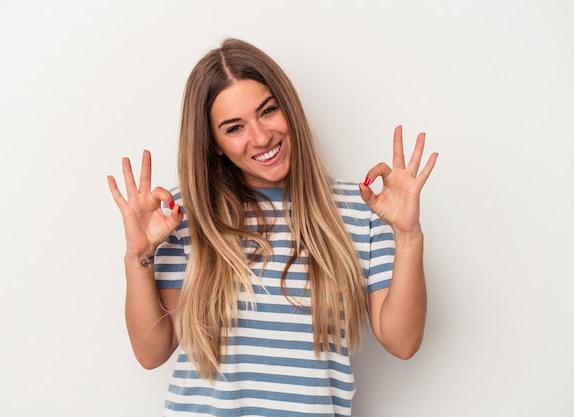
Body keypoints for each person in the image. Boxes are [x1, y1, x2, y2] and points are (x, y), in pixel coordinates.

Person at [107, 38, 437, 416]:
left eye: (267, 110)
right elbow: (152, 353)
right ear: (214, 143)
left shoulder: (362, 210)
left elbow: (403, 342)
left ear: (288, 107)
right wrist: (139, 256)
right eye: (234, 128)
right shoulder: (183, 215)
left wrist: (409, 236)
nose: (261, 138)